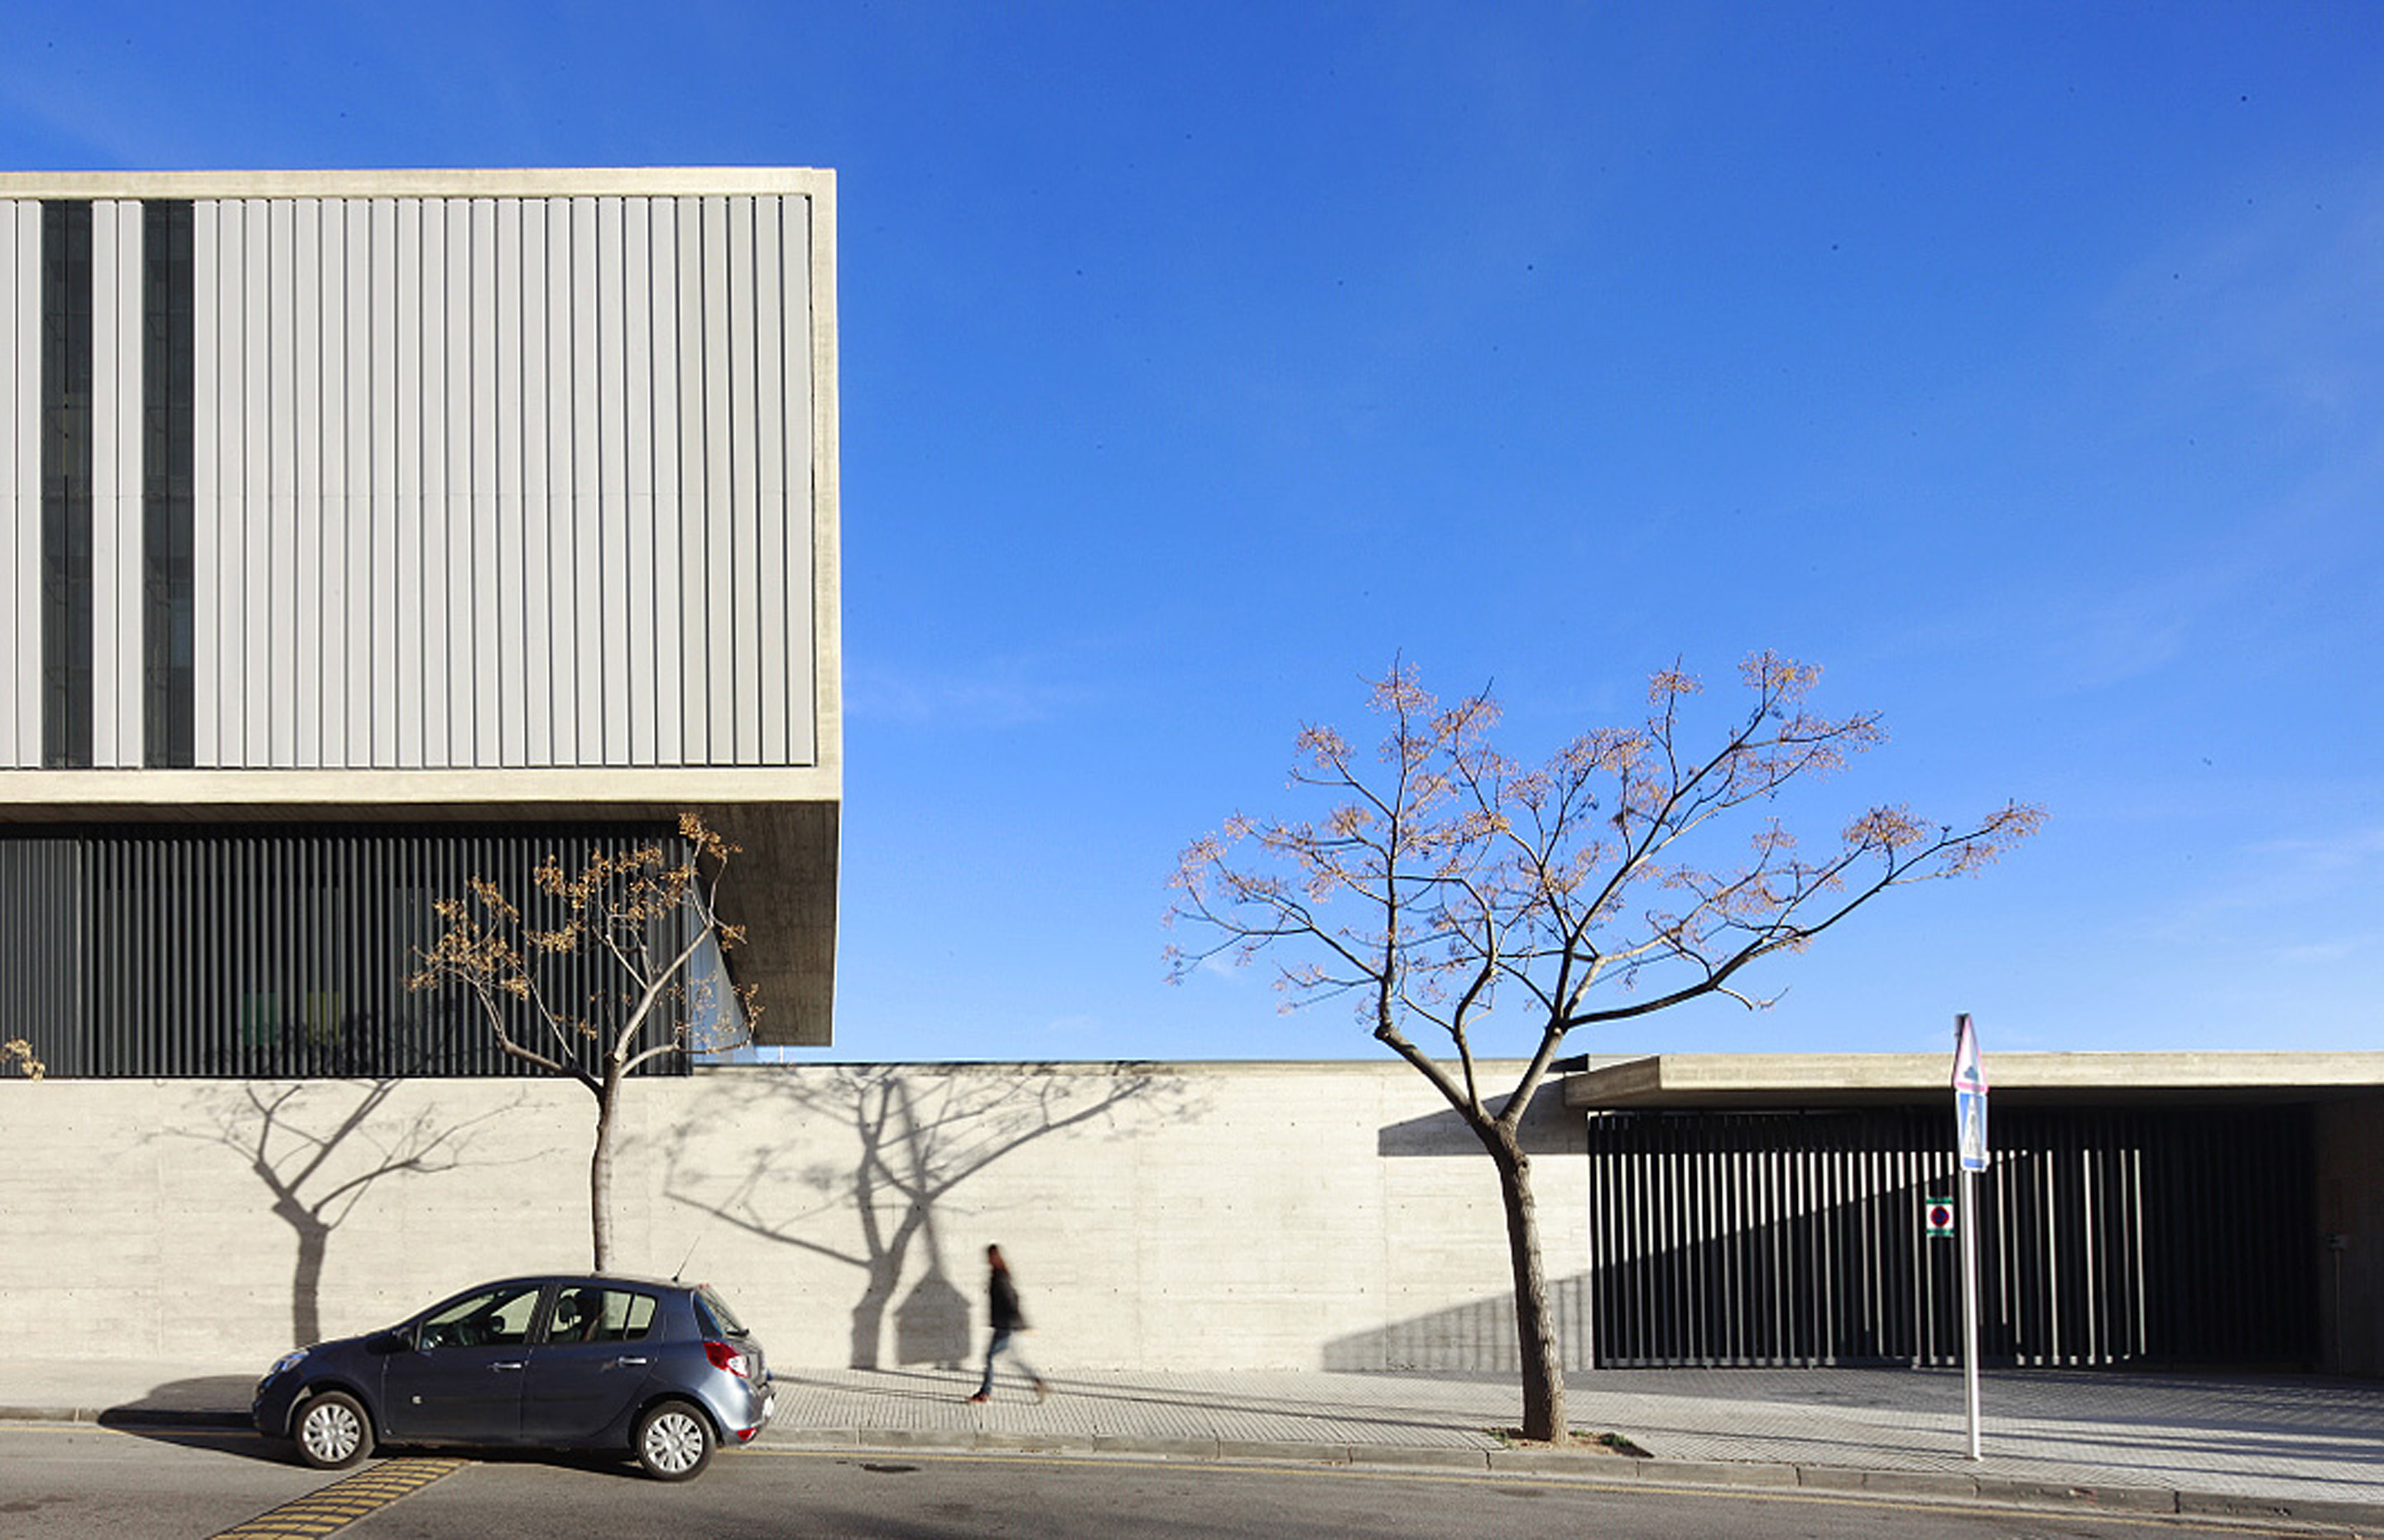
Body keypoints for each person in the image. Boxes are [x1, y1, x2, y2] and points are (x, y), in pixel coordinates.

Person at [967, 1244, 1049, 1403]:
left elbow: (1012, 1299)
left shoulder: (1000, 1276)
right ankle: (1038, 1382)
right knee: (1012, 1357)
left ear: (993, 1258)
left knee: (990, 1357)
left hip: (1004, 1324)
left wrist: (1021, 1322)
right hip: (1003, 1324)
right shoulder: (999, 1273)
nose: (987, 1260)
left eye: (989, 1257)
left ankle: (985, 1393)